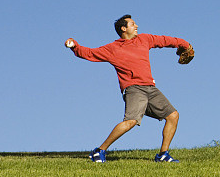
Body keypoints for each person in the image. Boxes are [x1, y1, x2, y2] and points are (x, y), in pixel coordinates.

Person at [64, 14, 192, 163]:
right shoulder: (113, 49)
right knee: (131, 121)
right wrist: (75, 46)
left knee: (173, 116)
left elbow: (164, 40)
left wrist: (184, 44)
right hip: (134, 89)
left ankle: (163, 154)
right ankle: (99, 151)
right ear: (123, 29)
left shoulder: (144, 39)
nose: (136, 26)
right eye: (132, 24)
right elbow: (90, 53)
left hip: (151, 88)